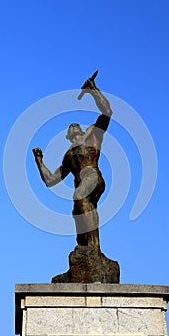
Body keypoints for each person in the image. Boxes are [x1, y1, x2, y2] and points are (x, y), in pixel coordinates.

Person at [32, 75, 113, 249]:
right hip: (81, 183)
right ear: (68, 136)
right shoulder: (68, 156)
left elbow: (107, 112)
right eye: (70, 127)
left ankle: (91, 245)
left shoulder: (92, 134)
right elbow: (50, 180)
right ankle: (87, 245)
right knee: (80, 210)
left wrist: (93, 90)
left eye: (76, 125)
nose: (73, 125)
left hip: (92, 175)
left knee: (80, 196)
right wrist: (39, 160)